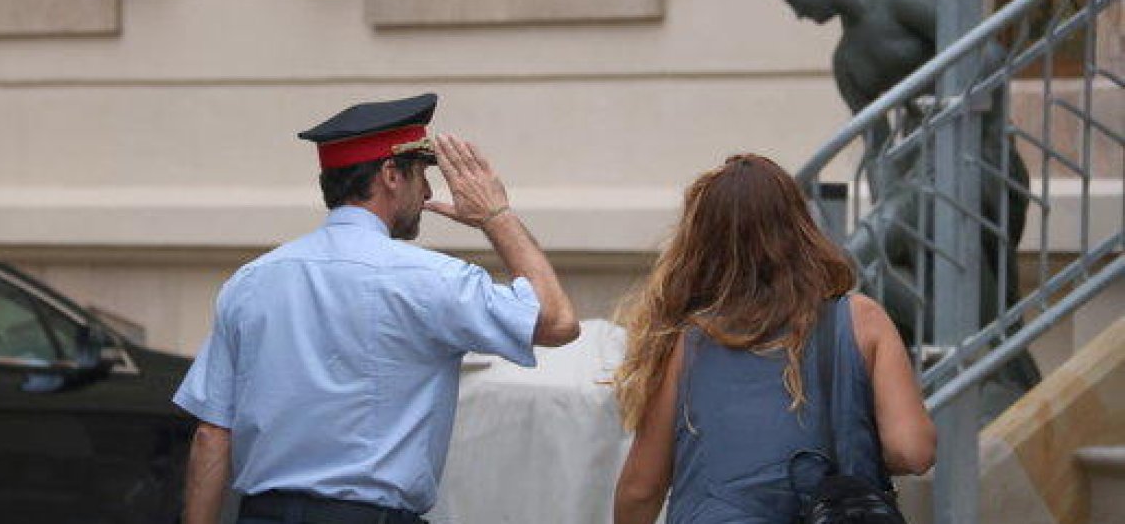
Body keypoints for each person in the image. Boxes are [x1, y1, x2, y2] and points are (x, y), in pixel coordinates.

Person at [173, 92, 580, 524]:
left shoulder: (251, 281)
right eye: (421, 175)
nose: (426, 192)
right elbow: (557, 321)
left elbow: (212, 435)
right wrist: (495, 214)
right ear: (390, 174)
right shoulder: (432, 279)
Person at [774, 0, 1037, 418]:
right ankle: (956, 362)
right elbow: (874, 147)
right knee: (871, 263)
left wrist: (944, 118)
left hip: (978, 160)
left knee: (853, 256)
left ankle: (976, 364)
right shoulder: (847, 60)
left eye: (795, 0)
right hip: (920, 179)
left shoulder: (899, 1)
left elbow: (988, 55)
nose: (798, 15)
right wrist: (892, 198)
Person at [612, 154, 935, 524]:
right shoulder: (862, 320)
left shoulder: (684, 342)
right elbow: (913, 451)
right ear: (800, 226)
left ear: (698, 244)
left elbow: (642, 489)